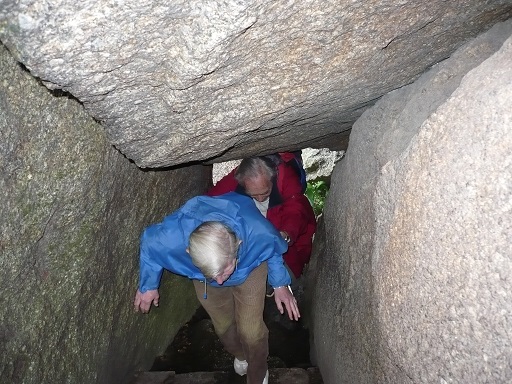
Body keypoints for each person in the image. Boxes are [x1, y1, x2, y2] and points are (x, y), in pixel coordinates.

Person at [133, 192, 300, 384]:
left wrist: (280, 284)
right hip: (204, 279)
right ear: (188, 252)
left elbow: (273, 248)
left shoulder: (258, 232)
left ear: (238, 244)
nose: (220, 281)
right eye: (214, 274)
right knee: (223, 327)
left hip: (250, 268)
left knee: (251, 331)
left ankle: (258, 372)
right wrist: (149, 286)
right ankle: (241, 355)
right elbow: (149, 244)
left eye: (224, 271)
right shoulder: (171, 238)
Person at [207, 153, 317, 281]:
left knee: (284, 277)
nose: (260, 199)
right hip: (253, 243)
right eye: (253, 195)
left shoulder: (286, 179)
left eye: (265, 192)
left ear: (273, 178)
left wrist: (285, 234)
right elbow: (208, 202)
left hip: (287, 248)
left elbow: (295, 211)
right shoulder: (237, 178)